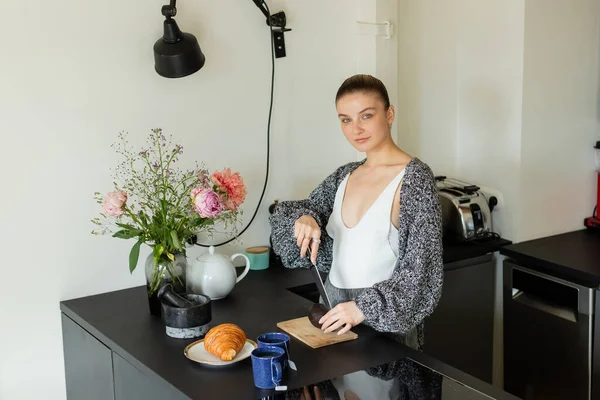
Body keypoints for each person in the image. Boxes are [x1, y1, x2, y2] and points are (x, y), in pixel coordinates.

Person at [269, 74, 443, 351]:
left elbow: (421, 272)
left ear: (389, 114)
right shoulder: (344, 175)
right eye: (346, 119)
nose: (356, 129)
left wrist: (362, 308)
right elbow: (303, 210)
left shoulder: (414, 180)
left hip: (386, 330)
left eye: (366, 115)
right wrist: (305, 217)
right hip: (333, 320)